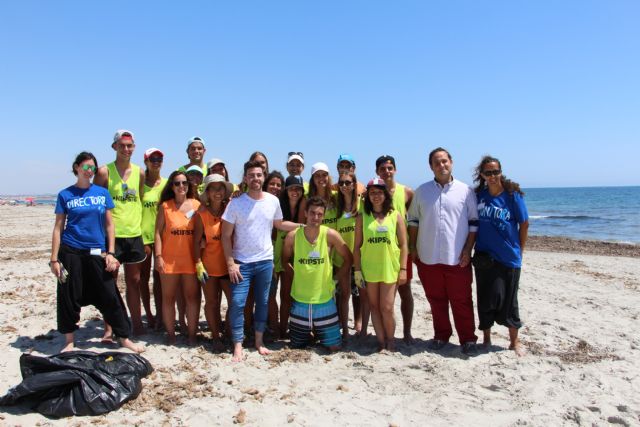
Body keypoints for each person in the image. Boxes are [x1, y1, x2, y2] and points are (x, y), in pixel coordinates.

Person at [50, 152, 143, 353]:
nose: (89, 171)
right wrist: (54, 259)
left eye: (92, 167)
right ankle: (68, 340)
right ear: (76, 168)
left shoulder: (101, 193)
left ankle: (124, 337)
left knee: (109, 294)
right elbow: (58, 228)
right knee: (68, 295)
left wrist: (110, 252)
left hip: (96, 251)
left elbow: (110, 225)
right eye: (85, 167)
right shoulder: (65, 195)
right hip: (71, 251)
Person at [221, 160, 301, 362]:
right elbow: (225, 235)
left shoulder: (272, 201)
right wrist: (230, 263)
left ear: (263, 177)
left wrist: (302, 225)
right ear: (246, 178)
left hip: (265, 261)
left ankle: (259, 341)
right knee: (238, 303)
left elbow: (279, 224)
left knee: (263, 302)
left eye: (259, 175)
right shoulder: (236, 203)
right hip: (242, 262)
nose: (255, 179)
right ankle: (237, 344)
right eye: (251, 175)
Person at [407, 147, 479, 355]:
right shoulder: (422, 191)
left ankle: (468, 339)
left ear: (451, 162)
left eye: (444, 161)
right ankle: (441, 335)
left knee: (462, 300)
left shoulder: (466, 191)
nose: (441, 165)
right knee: (435, 300)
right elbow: (413, 220)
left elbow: (474, 223)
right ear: (431, 166)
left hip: (457, 258)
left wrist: (468, 249)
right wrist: (413, 247)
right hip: (428, 257)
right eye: (437, 162)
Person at [473, 155, 529, 356]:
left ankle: (515, 341)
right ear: (482, 175)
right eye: (488, 172)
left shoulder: (513, 195)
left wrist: (520, 250)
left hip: (509, 257)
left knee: (509, 301)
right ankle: (486, 339)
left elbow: (524, 224)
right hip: (484, 257)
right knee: (485, 299)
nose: (493, 176)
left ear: (501, 172)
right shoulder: (479, 195)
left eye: (496, 171)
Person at [282, 197, 352, 351]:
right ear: (306, 213)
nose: (315, 217)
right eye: (312, 213)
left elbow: (348, 258)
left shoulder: (330, 235)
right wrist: (297, 276)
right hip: (300, 301)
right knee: (297, 346)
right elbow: (284, 261)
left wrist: (335, 279)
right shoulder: (293, 236)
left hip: (324, 301)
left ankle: (320, 332)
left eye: (320, 214)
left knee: (334, 347)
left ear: (324, 216)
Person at [94, 130, 146, 337]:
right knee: (110, 283)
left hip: (134, 234)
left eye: (130, 145)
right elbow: (96, 204)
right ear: (114, 147)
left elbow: (139, 199)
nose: (126, 149)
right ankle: (109, 327)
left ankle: (137, 323)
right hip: (112, 236)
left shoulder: (140, 172)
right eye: (122, 145)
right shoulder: (104, 172)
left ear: (134, 147)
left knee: (134, 282)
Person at [354, 177, 408, 351]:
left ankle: (391, 339)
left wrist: (403, 269)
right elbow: (356, 248)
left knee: (387, 306)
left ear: (385, 194)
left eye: (379, 192)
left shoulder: (395, 215)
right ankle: (381, 340)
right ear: (367, 196)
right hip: (369, 269)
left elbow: (404, 245)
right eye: (372, 193)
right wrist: (357, 271)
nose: (376, 196)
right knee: (374, 306)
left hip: (389, 268)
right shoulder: (363, 217)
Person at [154, 170, 201, 345]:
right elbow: (157, 233)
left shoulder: (196, 205)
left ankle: (191, 334)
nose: (181, 186)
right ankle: (171, 334)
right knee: (168, 298)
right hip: (169, 260)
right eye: (177, 183)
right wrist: (158, 256)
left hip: (190, 260)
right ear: (172, 186)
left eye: (184, 183)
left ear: (189, 185)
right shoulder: (165, 206)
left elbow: (202, 233)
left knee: (192, 298)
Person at [375, 155, 415, 343]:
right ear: (378, 172)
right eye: (383, 169)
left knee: (405, 291)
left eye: (390, 168)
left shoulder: (406, 192)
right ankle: (383, 332)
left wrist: (413, 245)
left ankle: (407, 332)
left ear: (395, 169)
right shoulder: (374, 193)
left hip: (401, 250)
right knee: (381, 298)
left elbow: (415, 220)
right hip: (380, 251)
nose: (387, 171)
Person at [193, 174, 234, 348]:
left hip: (228, 265)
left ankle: (229, 332)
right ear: (207, 192)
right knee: (212, 303)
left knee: (234, 302)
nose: (217, 192)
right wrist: (198, 264)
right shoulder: (201, 214)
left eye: (221, 188)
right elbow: (196, 241)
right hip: (208, 266)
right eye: (213, 188)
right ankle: (216, 336)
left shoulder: (231, 208)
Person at [334, 171, 368, 338]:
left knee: (361, 294)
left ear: (355, 184)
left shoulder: (363, 204)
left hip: (360, 258)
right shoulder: (336, 207)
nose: (345, 186)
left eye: (348, 182)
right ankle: (345, 330)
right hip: (342, 258)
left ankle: (362, 328)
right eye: (341, 183)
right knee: (344, 294)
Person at [140, 148, 168, 330]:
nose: (156, 161)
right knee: (142, 279)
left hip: (162, 237)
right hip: (142, 236)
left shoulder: (167, 184)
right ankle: (148, 314)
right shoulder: (140, 183)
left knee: (159, 278)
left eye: (159, 158)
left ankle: (160, 315)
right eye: (152, 159)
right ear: (146, 162)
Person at [276, 175, 307, 338]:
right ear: (286, 191)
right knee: (282, 295)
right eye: (291, 188)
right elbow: (279, 224)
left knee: (294, 294)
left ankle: (295, 327)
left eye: (298, 188)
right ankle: (281, 329)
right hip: (278, 252)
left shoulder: (305, 205)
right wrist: (302, 226)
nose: (295, 191)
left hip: (298, 253)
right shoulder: (279, 205)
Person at [263, 171, 286, 334]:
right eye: (272, 184)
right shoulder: (259, 201)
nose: (275, 187)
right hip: (263, 255)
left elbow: (281, 225)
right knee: (265, 295)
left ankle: (274, 327)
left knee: (271, 295)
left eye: (279, 185)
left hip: (278, 255)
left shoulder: (281, 204)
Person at [308, 162, 338, 229]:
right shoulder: (307, 198)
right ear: (313, 179)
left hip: (335, 238)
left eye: (324, 175)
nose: (321, 178)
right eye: (317, 175)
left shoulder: (336, 196)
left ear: (328, 177)